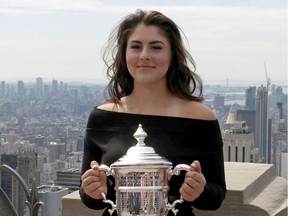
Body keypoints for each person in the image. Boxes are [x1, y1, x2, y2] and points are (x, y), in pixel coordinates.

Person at [79, 9, 226, 216]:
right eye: (136, 47)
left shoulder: (199, 118)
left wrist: (198, 191)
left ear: (172, 56)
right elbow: (90, 198)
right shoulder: (103, 117)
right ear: (124, 55)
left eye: (156, 47)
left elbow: (216, 195)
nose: (145, 55)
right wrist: (94, 190)